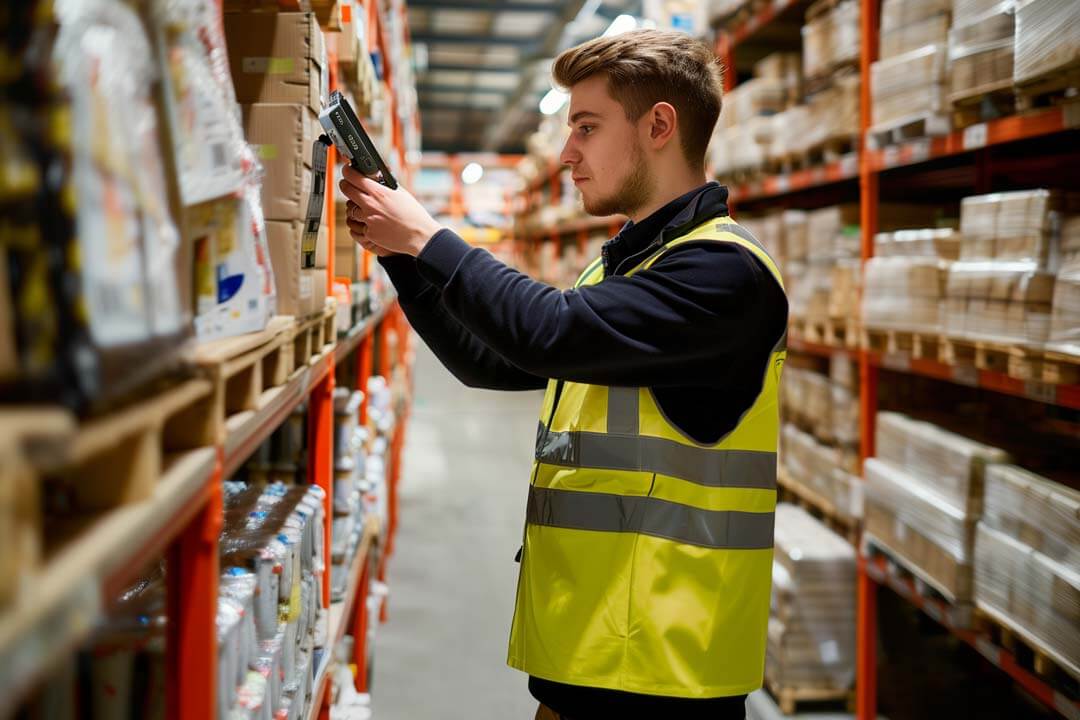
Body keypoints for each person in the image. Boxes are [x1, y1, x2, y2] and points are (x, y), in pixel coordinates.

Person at [339, 28, 788, 720]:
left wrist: (430, 236)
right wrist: (400, 253)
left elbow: (545, 330)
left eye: (586, 127)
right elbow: (492, 359)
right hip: (593, 658)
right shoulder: (627, 269)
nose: (567, 154)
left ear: (659, 126)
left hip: (661, 675)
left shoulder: (724, 274)